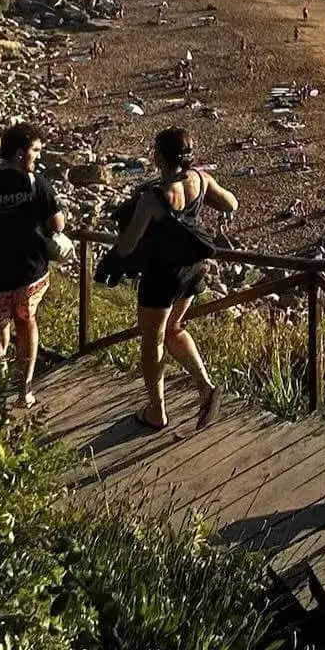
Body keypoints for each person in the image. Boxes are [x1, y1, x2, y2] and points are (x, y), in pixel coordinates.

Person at [116, 128, 238, 431]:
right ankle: (205, 387)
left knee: (152, 340)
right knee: (175, 328)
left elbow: (128, 246)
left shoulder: (152, 198)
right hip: (192, 269)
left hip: (161, 274)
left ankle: (156, 412)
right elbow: (231, 204)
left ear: (158, 156)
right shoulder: (200, 179)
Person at [0, 124, 65, 408]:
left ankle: (0, 379)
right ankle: (24, 390)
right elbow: (57, 224)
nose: (38, 157)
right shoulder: (36, 182)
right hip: (29, 271)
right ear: (20, 153)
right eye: (35, 150)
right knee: (26, 322)